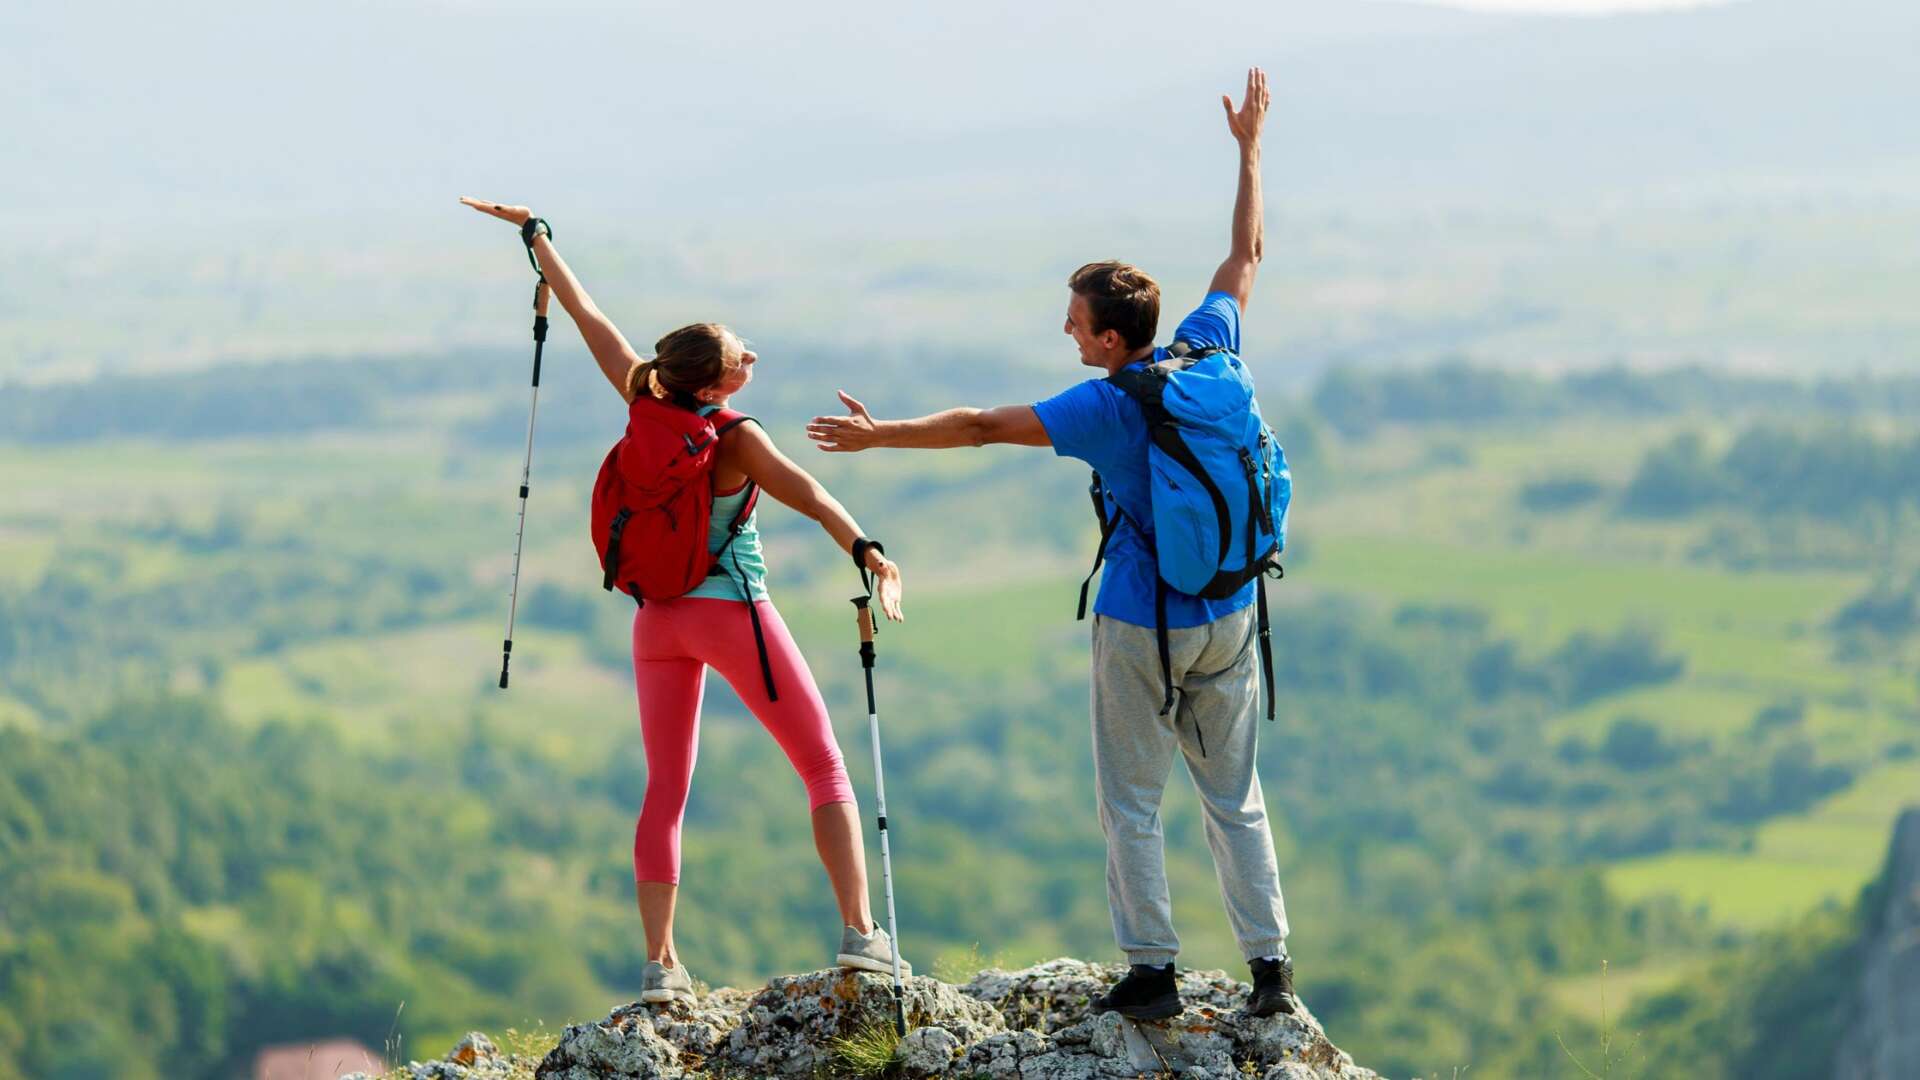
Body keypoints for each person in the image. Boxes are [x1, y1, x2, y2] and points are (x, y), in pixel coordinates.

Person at [803, 69, 1295, 1020]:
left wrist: (879, 435)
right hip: (1235, 608)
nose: (1065, 332)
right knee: (1236, 798)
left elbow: (983, 426)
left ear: (1112, 339)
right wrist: (1250, 150)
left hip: (1140, 620)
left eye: (1074, 322)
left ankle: (1153, 972)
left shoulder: (1108, 404)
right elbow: (1248, 254)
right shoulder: (1211, 347)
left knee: (1132, 802)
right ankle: (1271, 972)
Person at [460, 197, 913, 1004]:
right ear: (717, 381)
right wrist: (868, 551)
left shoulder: (643, 395)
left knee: (665, 788)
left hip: (656, 622)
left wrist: (539, 241)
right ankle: (861, 936)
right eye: (743, 357)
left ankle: (661, 965)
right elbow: (807, 494)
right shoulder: (734, 439)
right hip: (733, 612)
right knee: (822, 764)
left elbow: (588, 315)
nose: (753, 359)